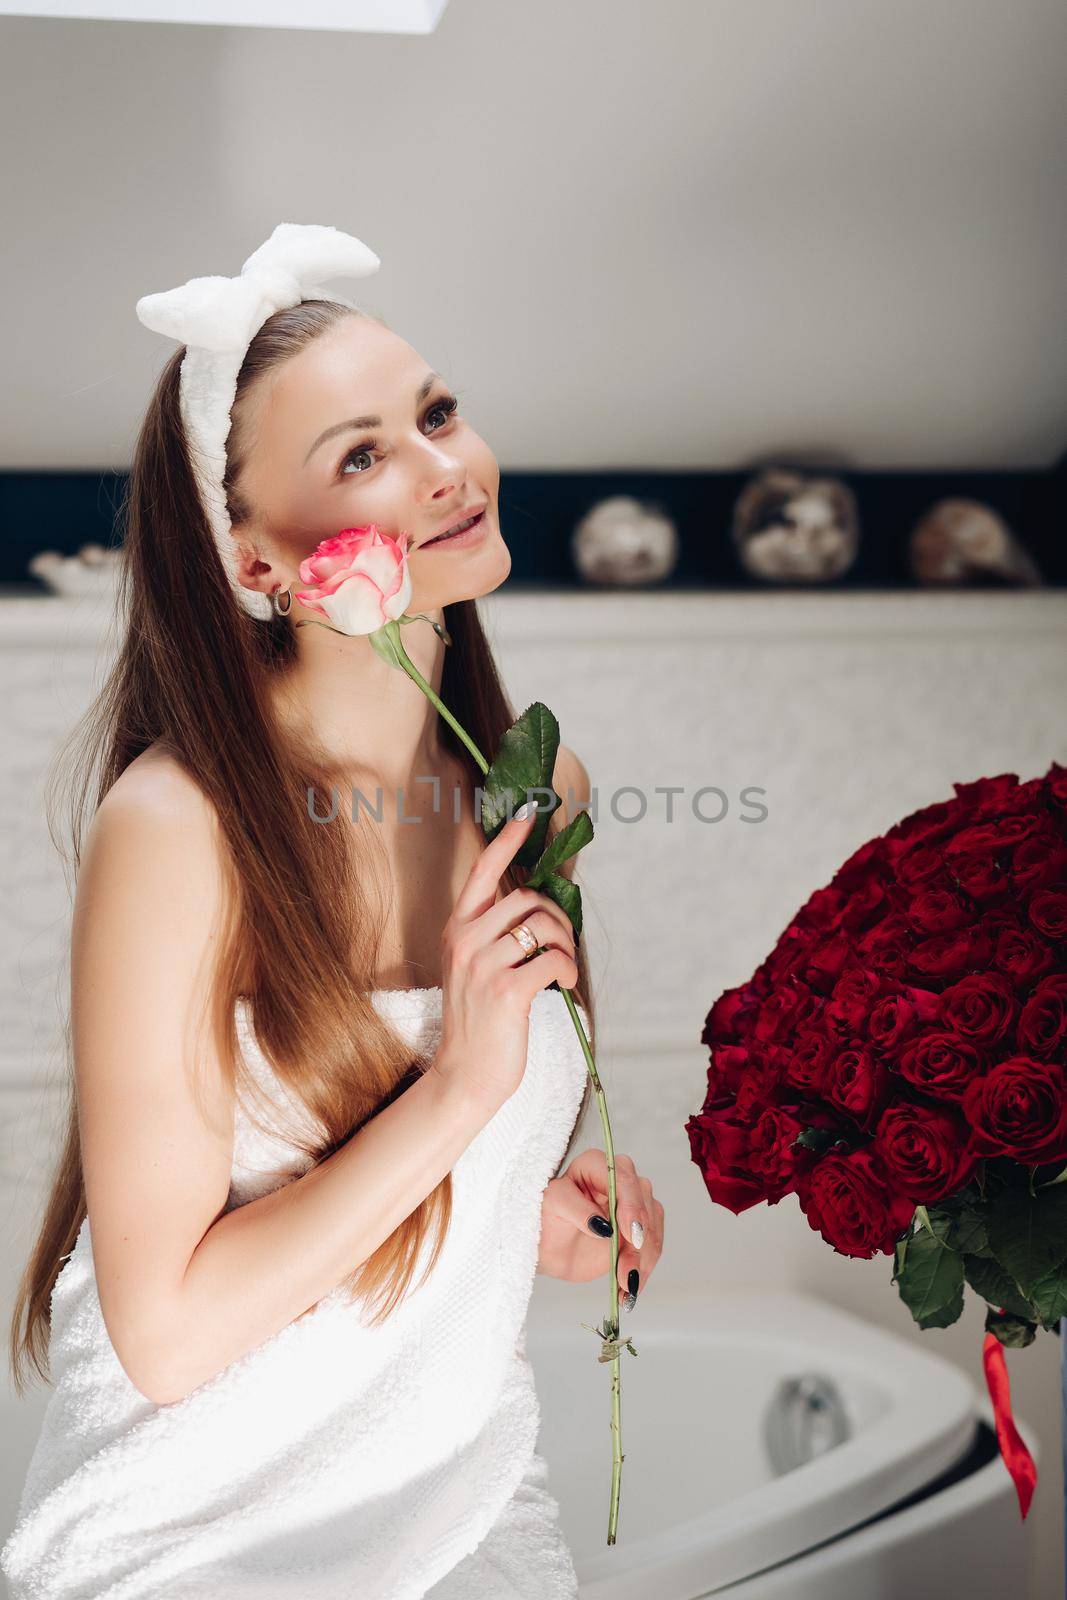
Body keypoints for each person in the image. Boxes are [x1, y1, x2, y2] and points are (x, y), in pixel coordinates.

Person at [2, 224, 664, 1598]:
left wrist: (537, 1202)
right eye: (361, 455)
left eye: (435, 413)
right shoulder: (177, 829)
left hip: (468, 1519)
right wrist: (463, 1095)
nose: (443, 469)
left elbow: (451, 1162)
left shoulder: (535, 789)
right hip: (198, 1552)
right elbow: (168, 1336)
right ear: (252, 561)